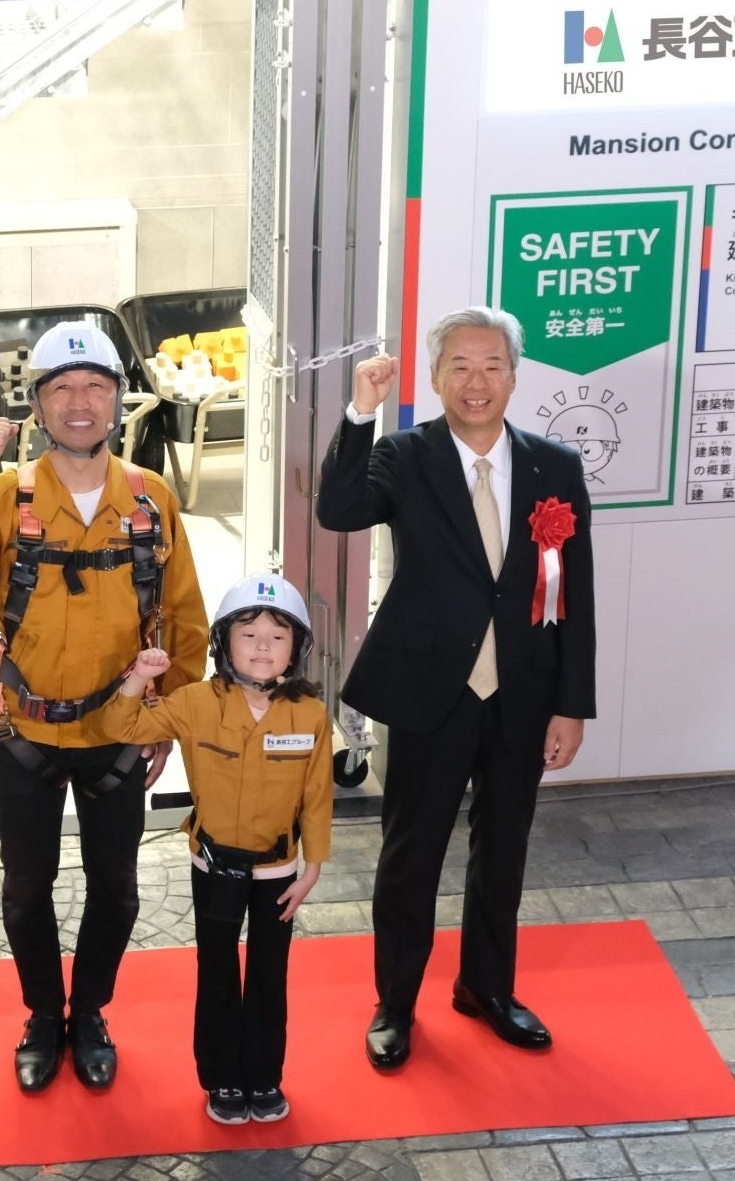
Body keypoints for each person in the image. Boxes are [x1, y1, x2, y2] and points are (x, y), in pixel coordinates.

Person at [0, 323, 209, 1093]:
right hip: (26, 731)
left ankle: (89, 1013)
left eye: (95, 387)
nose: (80, 403)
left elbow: (185, 617)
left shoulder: (149, 499)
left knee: (116, 887)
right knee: (27, 887)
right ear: (38, 405)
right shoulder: (0, 496)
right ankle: (43, 1015)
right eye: (62, 389)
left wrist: (174, 718)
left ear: (118, 400)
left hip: (121, 731)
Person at [316, 306, 595, 1070]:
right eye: (460, 367)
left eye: (492, 366)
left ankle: (486, 988)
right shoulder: (405, 455)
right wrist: (360, 412)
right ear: (436, 378)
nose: (477, 381)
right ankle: (396, 1004)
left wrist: (571, 703)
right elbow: (339, 509)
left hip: (523, 697)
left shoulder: (553, 467)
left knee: (503, 853)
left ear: (514, 376)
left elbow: (572, 593)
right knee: (412, 858)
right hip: (429, 693)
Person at [100, 574, 332, 1126]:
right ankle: (222, 1076)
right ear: (224, 643)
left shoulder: (310, 715)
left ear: (297, 648)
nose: (262, 647)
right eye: (248, 634)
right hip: (214, 865)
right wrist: (141, 677)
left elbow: (318, 795)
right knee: (218, 971)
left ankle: (264, 1075)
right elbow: (119, 723)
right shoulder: (194, 703)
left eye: (278, 637)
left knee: (270, 974)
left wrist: (312, 867)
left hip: (278, 870)